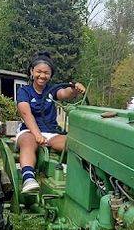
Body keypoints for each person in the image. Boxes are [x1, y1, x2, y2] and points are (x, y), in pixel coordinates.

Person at [16, 53, 85, 192]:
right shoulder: (24, 91)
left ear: (51, 75)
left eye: (46, 73)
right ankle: (28, 178)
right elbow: (26, 114)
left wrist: (74, 89)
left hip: (51, 132)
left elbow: (64, 94)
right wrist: (36, 134)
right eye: (39, 71)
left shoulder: (51, 90)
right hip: (29, 131)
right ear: (32, 71)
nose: (42, 75)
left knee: (75, 143)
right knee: (28, 142)